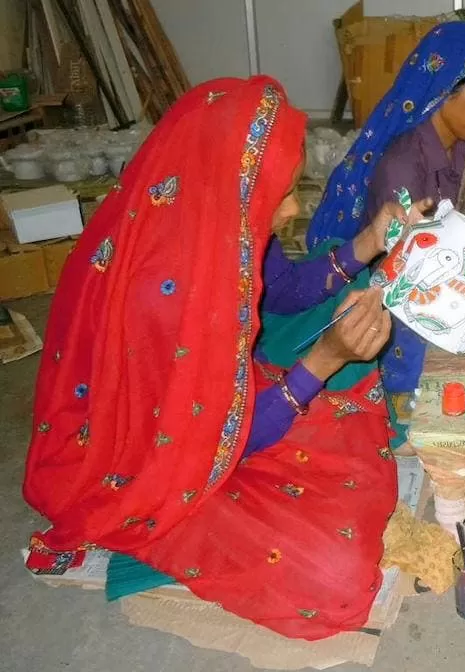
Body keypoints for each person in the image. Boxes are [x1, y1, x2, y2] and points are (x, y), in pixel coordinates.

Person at [22, 76, 427, 641]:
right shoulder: (165, 288)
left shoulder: (216, 217)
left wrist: (370, 241)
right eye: (283, 193)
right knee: (331, 578)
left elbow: (278, 291)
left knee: (349, 409)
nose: (291, 210)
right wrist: (322, 362)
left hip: (201, 415)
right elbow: (217, 440)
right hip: (138, 460)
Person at [306, 22, 465, 446]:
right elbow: (413, 281)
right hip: (397, 302)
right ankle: (402, 398)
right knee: (436, 378)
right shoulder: (401, 168)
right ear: (442, 92)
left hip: (444, 280)